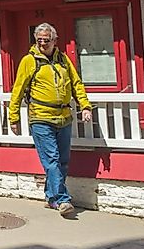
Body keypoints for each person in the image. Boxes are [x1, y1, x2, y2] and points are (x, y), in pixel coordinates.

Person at [8, 22, 92, 219]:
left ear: (55, 40)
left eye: (47, 40)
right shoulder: (29, 61)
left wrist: (85, 106)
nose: (43, 43)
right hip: (40, 117)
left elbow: (76, 83)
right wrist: (13, 117)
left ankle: (50, 196)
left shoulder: (63, 60)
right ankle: (63, 199)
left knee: (63, 160)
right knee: (51, 159)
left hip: (63, 116)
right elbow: (18, 89)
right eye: (40, 40)